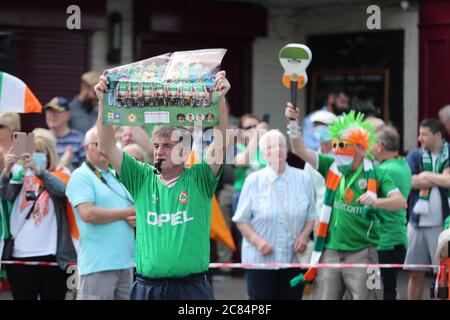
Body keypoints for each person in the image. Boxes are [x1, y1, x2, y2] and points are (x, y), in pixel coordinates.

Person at [94, 70, 230, 300]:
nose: (159, 151)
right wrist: (103, 102)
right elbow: (106, 146)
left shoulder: (199, 178)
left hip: (191, 288)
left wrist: (220, 99)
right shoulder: (143, 177)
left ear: (185, 151)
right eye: (156, 145)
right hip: (147, 287)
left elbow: (220, 143)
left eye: (167, 146)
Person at [285, 104, 407, 300]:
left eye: (342, 145)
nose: (336, 150)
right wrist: (292, 122)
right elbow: (298, 149)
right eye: (335, 145)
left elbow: (400, 202)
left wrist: (376, 201)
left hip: (363, 252)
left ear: (359, 147)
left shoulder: (376, 173)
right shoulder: (330, 166)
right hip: (330, 250)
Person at [232, 130, 316, 300]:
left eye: (281, 146)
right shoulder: (253, 180)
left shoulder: (304, 178)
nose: (277, 150)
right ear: (263, 154)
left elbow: (311, 215)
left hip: (292, 258)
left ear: (287, 151)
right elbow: (241, 219)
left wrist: (304, 236)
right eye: (271, 147)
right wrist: (258, 242)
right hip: (260, 260)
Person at [0, 128, 77, 300]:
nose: (34, 156)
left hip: (51, 255)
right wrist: (6, 172)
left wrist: (39, 171)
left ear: (49, 153)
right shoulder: (19, 173)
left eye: (40, 152)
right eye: (32, 151)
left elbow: (62, 190)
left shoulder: (61, 172)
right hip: (19, 254)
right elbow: (5, 194)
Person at [65, 127, 135, 300]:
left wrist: (136, 218)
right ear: (86, 148)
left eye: (107, 143)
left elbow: (133, 211)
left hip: (125, 262)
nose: (104, 148)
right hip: (98, 264)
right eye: (98, 143)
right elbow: (88, 214)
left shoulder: (114, 174)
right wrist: (128, 212)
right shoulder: (81, 175)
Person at [404, 118, 450, 300]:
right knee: (415, 273)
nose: (419, 138)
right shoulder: (415, 155)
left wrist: (425, 175)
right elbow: (409, 181)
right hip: (417, 224)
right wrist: (440, 177)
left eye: (424, 134)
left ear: (437, 135)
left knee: (444, 275)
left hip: (443, 226)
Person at [371, 125, 412, 300]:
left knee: (377, 292)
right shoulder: (403, 165)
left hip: (383, 242)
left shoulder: (384, 170)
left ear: (379, 146)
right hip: (398, 239)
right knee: (389, 289)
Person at [303, 110, 337, 217]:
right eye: (315, 126)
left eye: (323, 126)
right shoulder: (311, 159)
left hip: (339, 217)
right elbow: (307, 192)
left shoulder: (342, 157)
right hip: (319, 217)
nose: (319, 129)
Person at [44, 96, 86, 170]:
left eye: (57, 111)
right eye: (49, 111)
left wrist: (68, 167)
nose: (52, 115)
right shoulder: (41, 138)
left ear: (68, 114)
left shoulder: (79, 138)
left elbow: (86, 170)